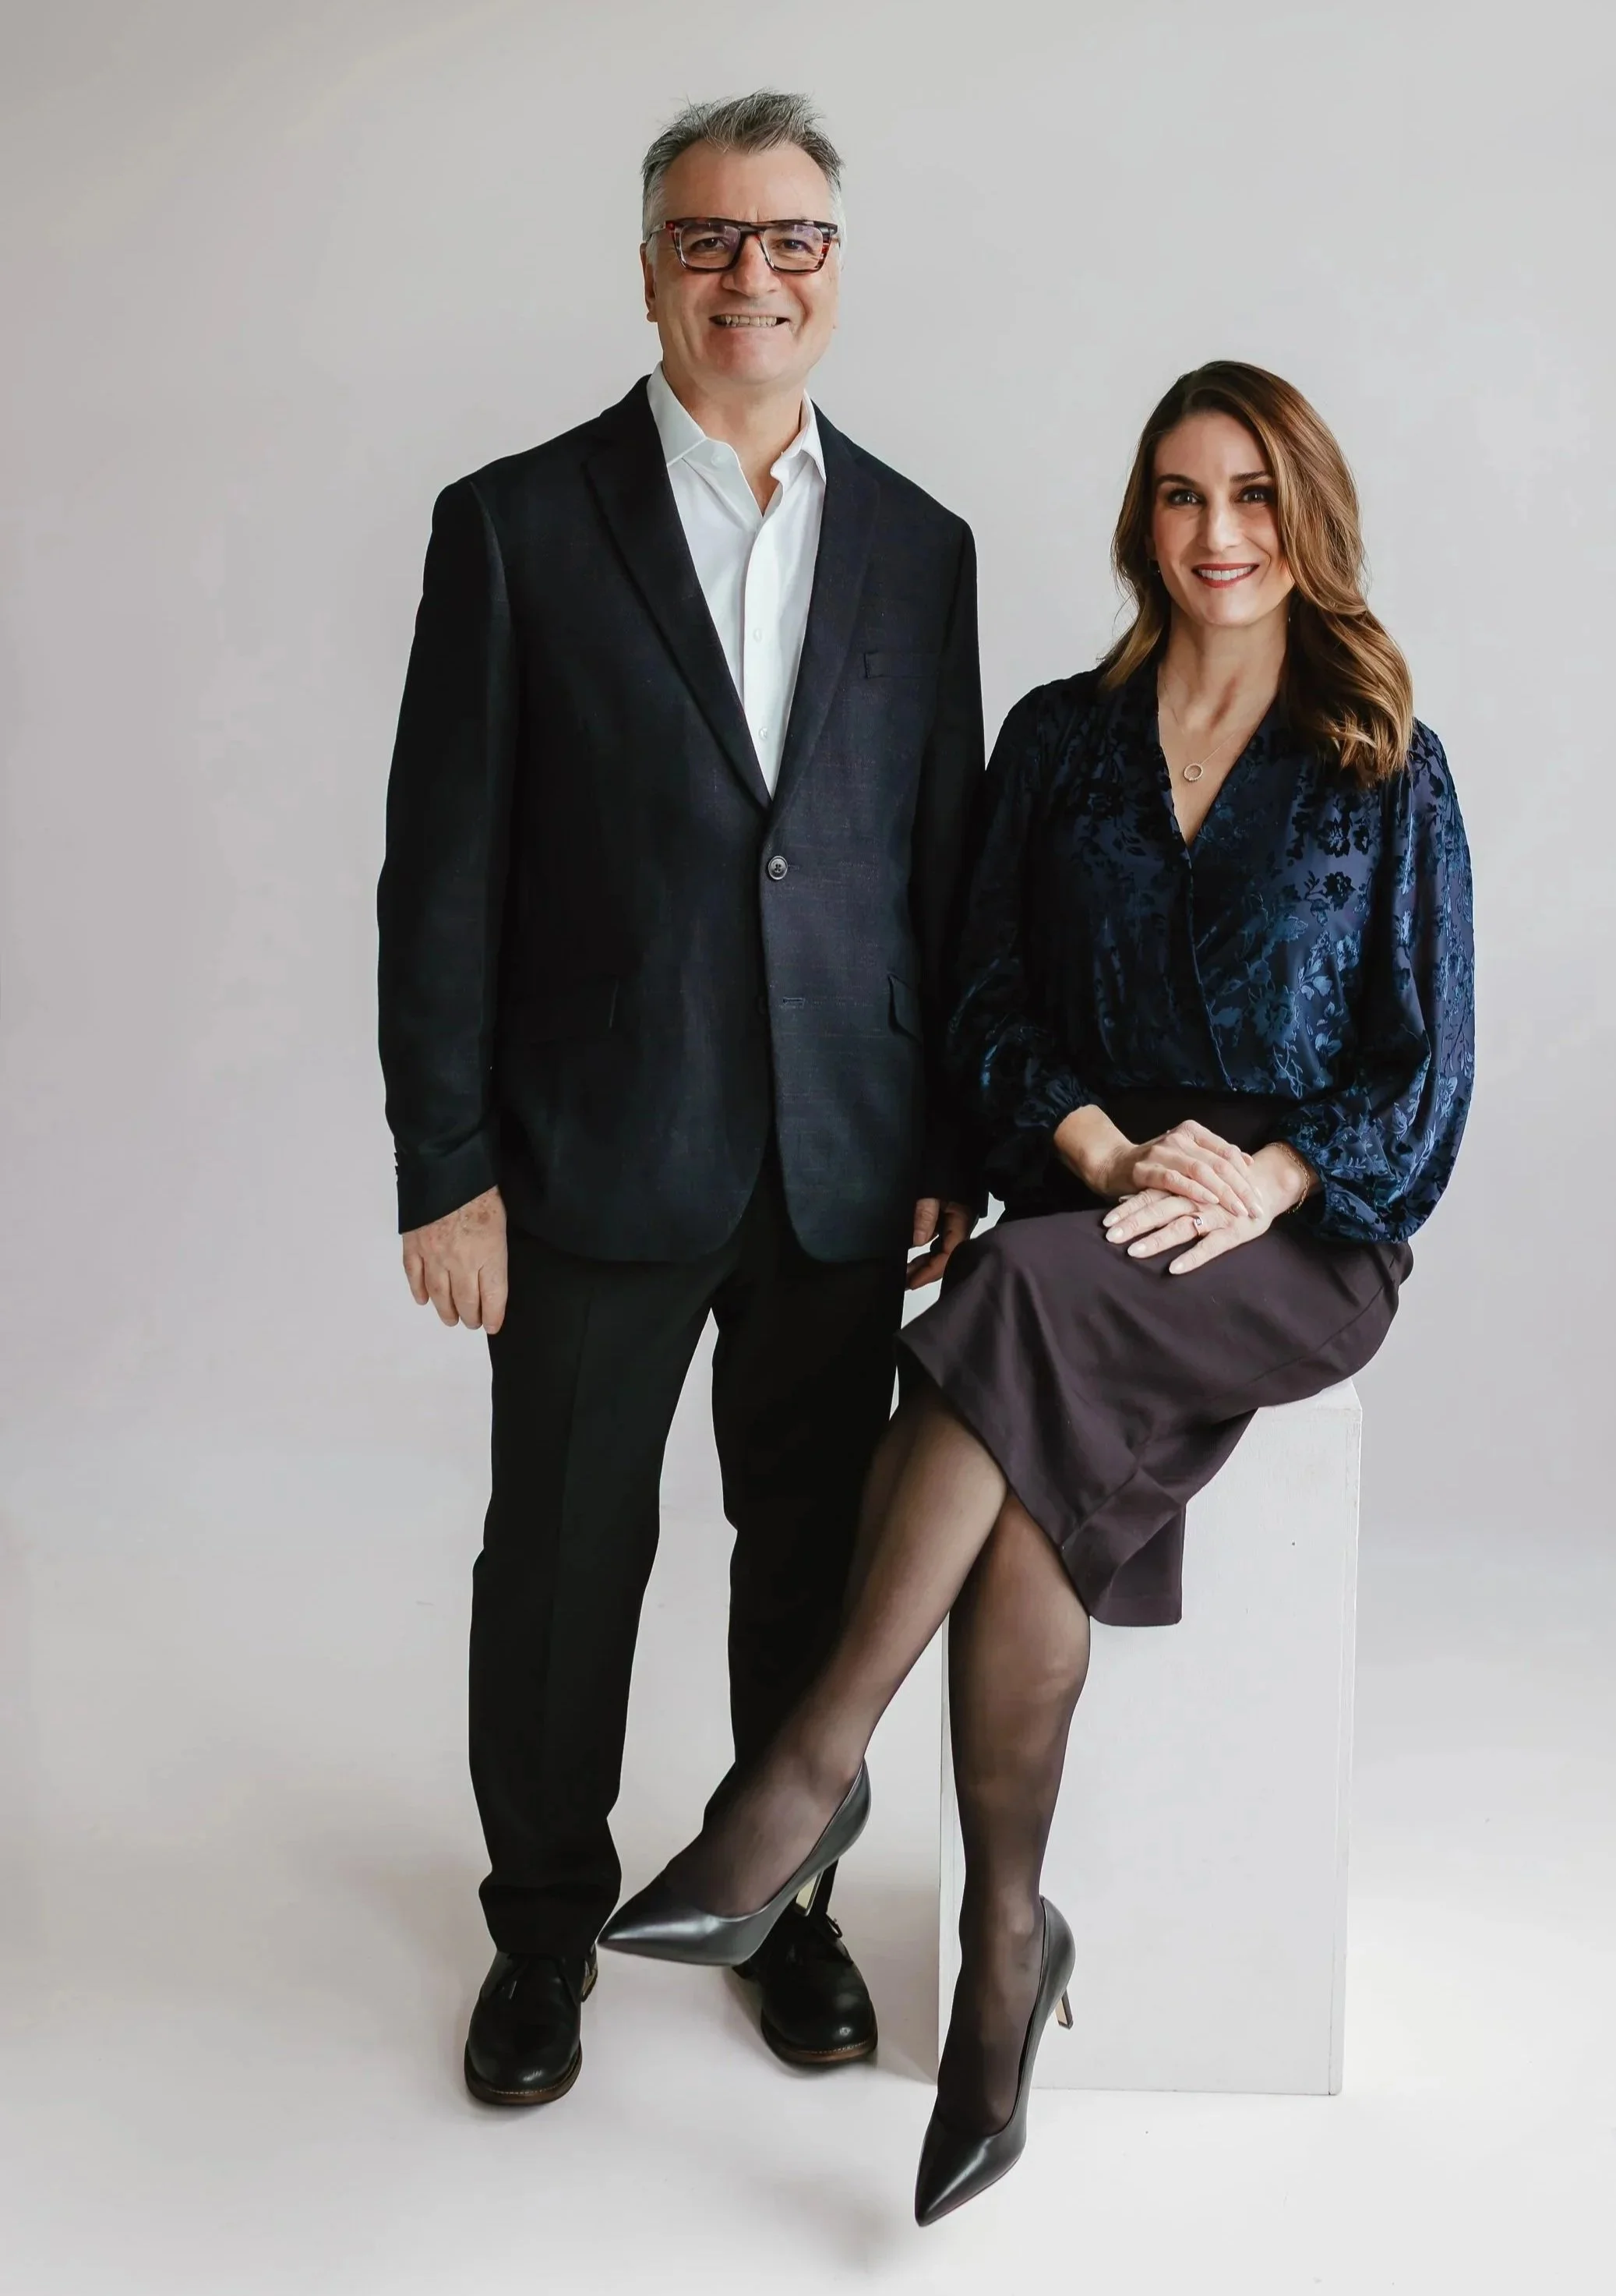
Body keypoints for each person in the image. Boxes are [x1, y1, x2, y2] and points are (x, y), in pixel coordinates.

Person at [603, 359, 1475, 2218]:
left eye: (1252, 494)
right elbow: (982, 998)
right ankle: (1005, 1945)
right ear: (1139, 520)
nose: (1217, 532)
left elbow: (1427, 1070)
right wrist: (1100, 1153)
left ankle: (807, 1770)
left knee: (1005, 1302)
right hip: (1096, 1200)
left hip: (1297, 1239)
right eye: (1180, 494)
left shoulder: (1380, 756)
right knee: (1022, 1436)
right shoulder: (1061, 742)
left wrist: (1261, 1178)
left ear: (1307, 517)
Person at [376, 91, 984, 2107]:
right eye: (710, 238)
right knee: (563, 1564)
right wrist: (444, 1166)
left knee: (809, 1561)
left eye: (790, 238)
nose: (753, 275)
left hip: (840, 1162)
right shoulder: (513, 527)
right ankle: (543, 1930)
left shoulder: (919, 545)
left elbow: (937, 869)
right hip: (588, 1155)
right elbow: (440, 874)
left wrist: (947, 1143)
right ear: (649, 270)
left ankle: (779, 1902)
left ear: (836, 269)